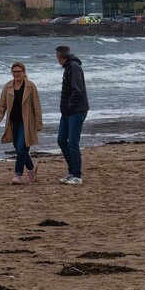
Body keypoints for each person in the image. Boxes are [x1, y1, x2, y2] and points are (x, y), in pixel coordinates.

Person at [0, 61, 42, 184]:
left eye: (19, 71)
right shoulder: (8, 86)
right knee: (20, 150)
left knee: (21, 148)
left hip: (27, 123)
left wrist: (38, 123)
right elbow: (2, 106)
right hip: (13, 123)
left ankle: (17, 175)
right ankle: (31, 168)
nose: (17, 73)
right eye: (14, 71)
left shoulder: (30, 86)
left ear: (23, 72)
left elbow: (36, 106)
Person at [55, 45, 89, 185]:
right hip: (67, 111)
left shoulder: (74, 66)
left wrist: (69, 106)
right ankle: (71, 171)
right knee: (62, 140)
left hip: (77, 110)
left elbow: (78, 90)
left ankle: (77, 175)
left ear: (61, 56)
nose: (56, 58)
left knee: (73, 141)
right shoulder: (68, 67)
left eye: (57, 55)